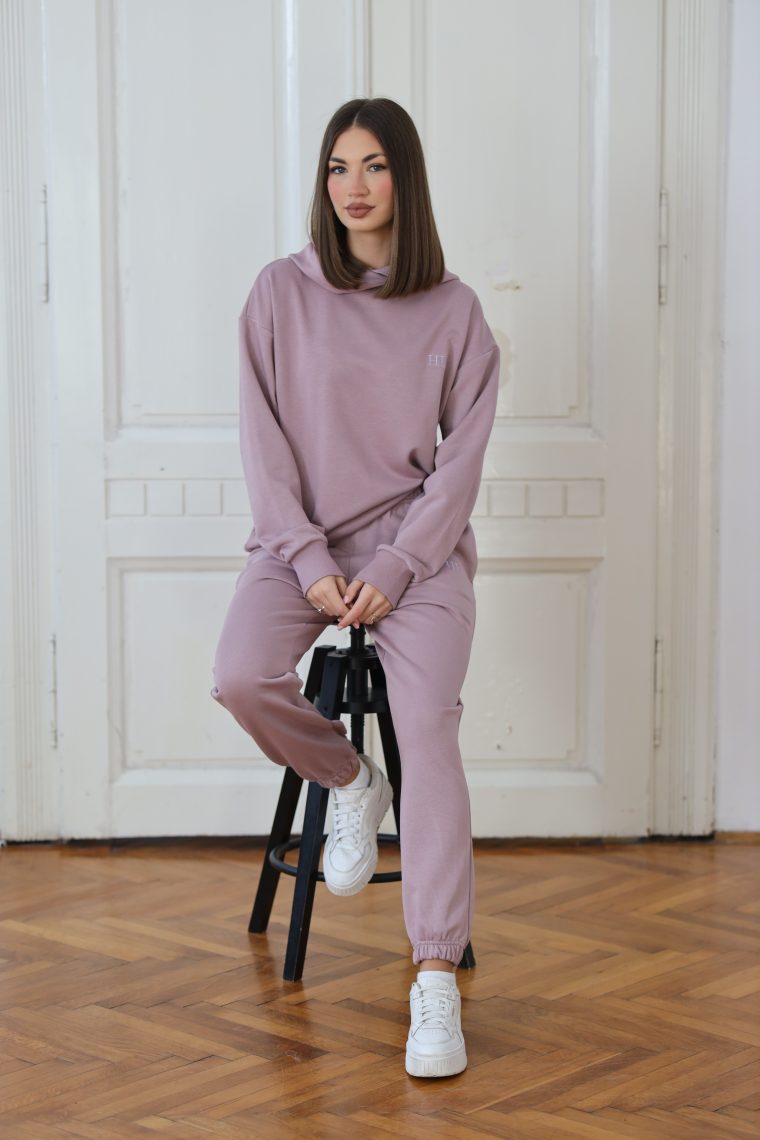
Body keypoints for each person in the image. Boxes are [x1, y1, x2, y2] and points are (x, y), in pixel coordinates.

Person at [211, 96, 500, 1079]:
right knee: (239, 676)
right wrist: (308, 562)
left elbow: (458, 471)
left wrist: (393, 569)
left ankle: (434, 975)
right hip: (298, 546)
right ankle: (346, 778)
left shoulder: (455, 311)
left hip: (418, 559)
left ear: (404, 179)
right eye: (338, 167)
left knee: (427, 726)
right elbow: (263, 448)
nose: (354, 187)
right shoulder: (277, 294)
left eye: (374, 166)